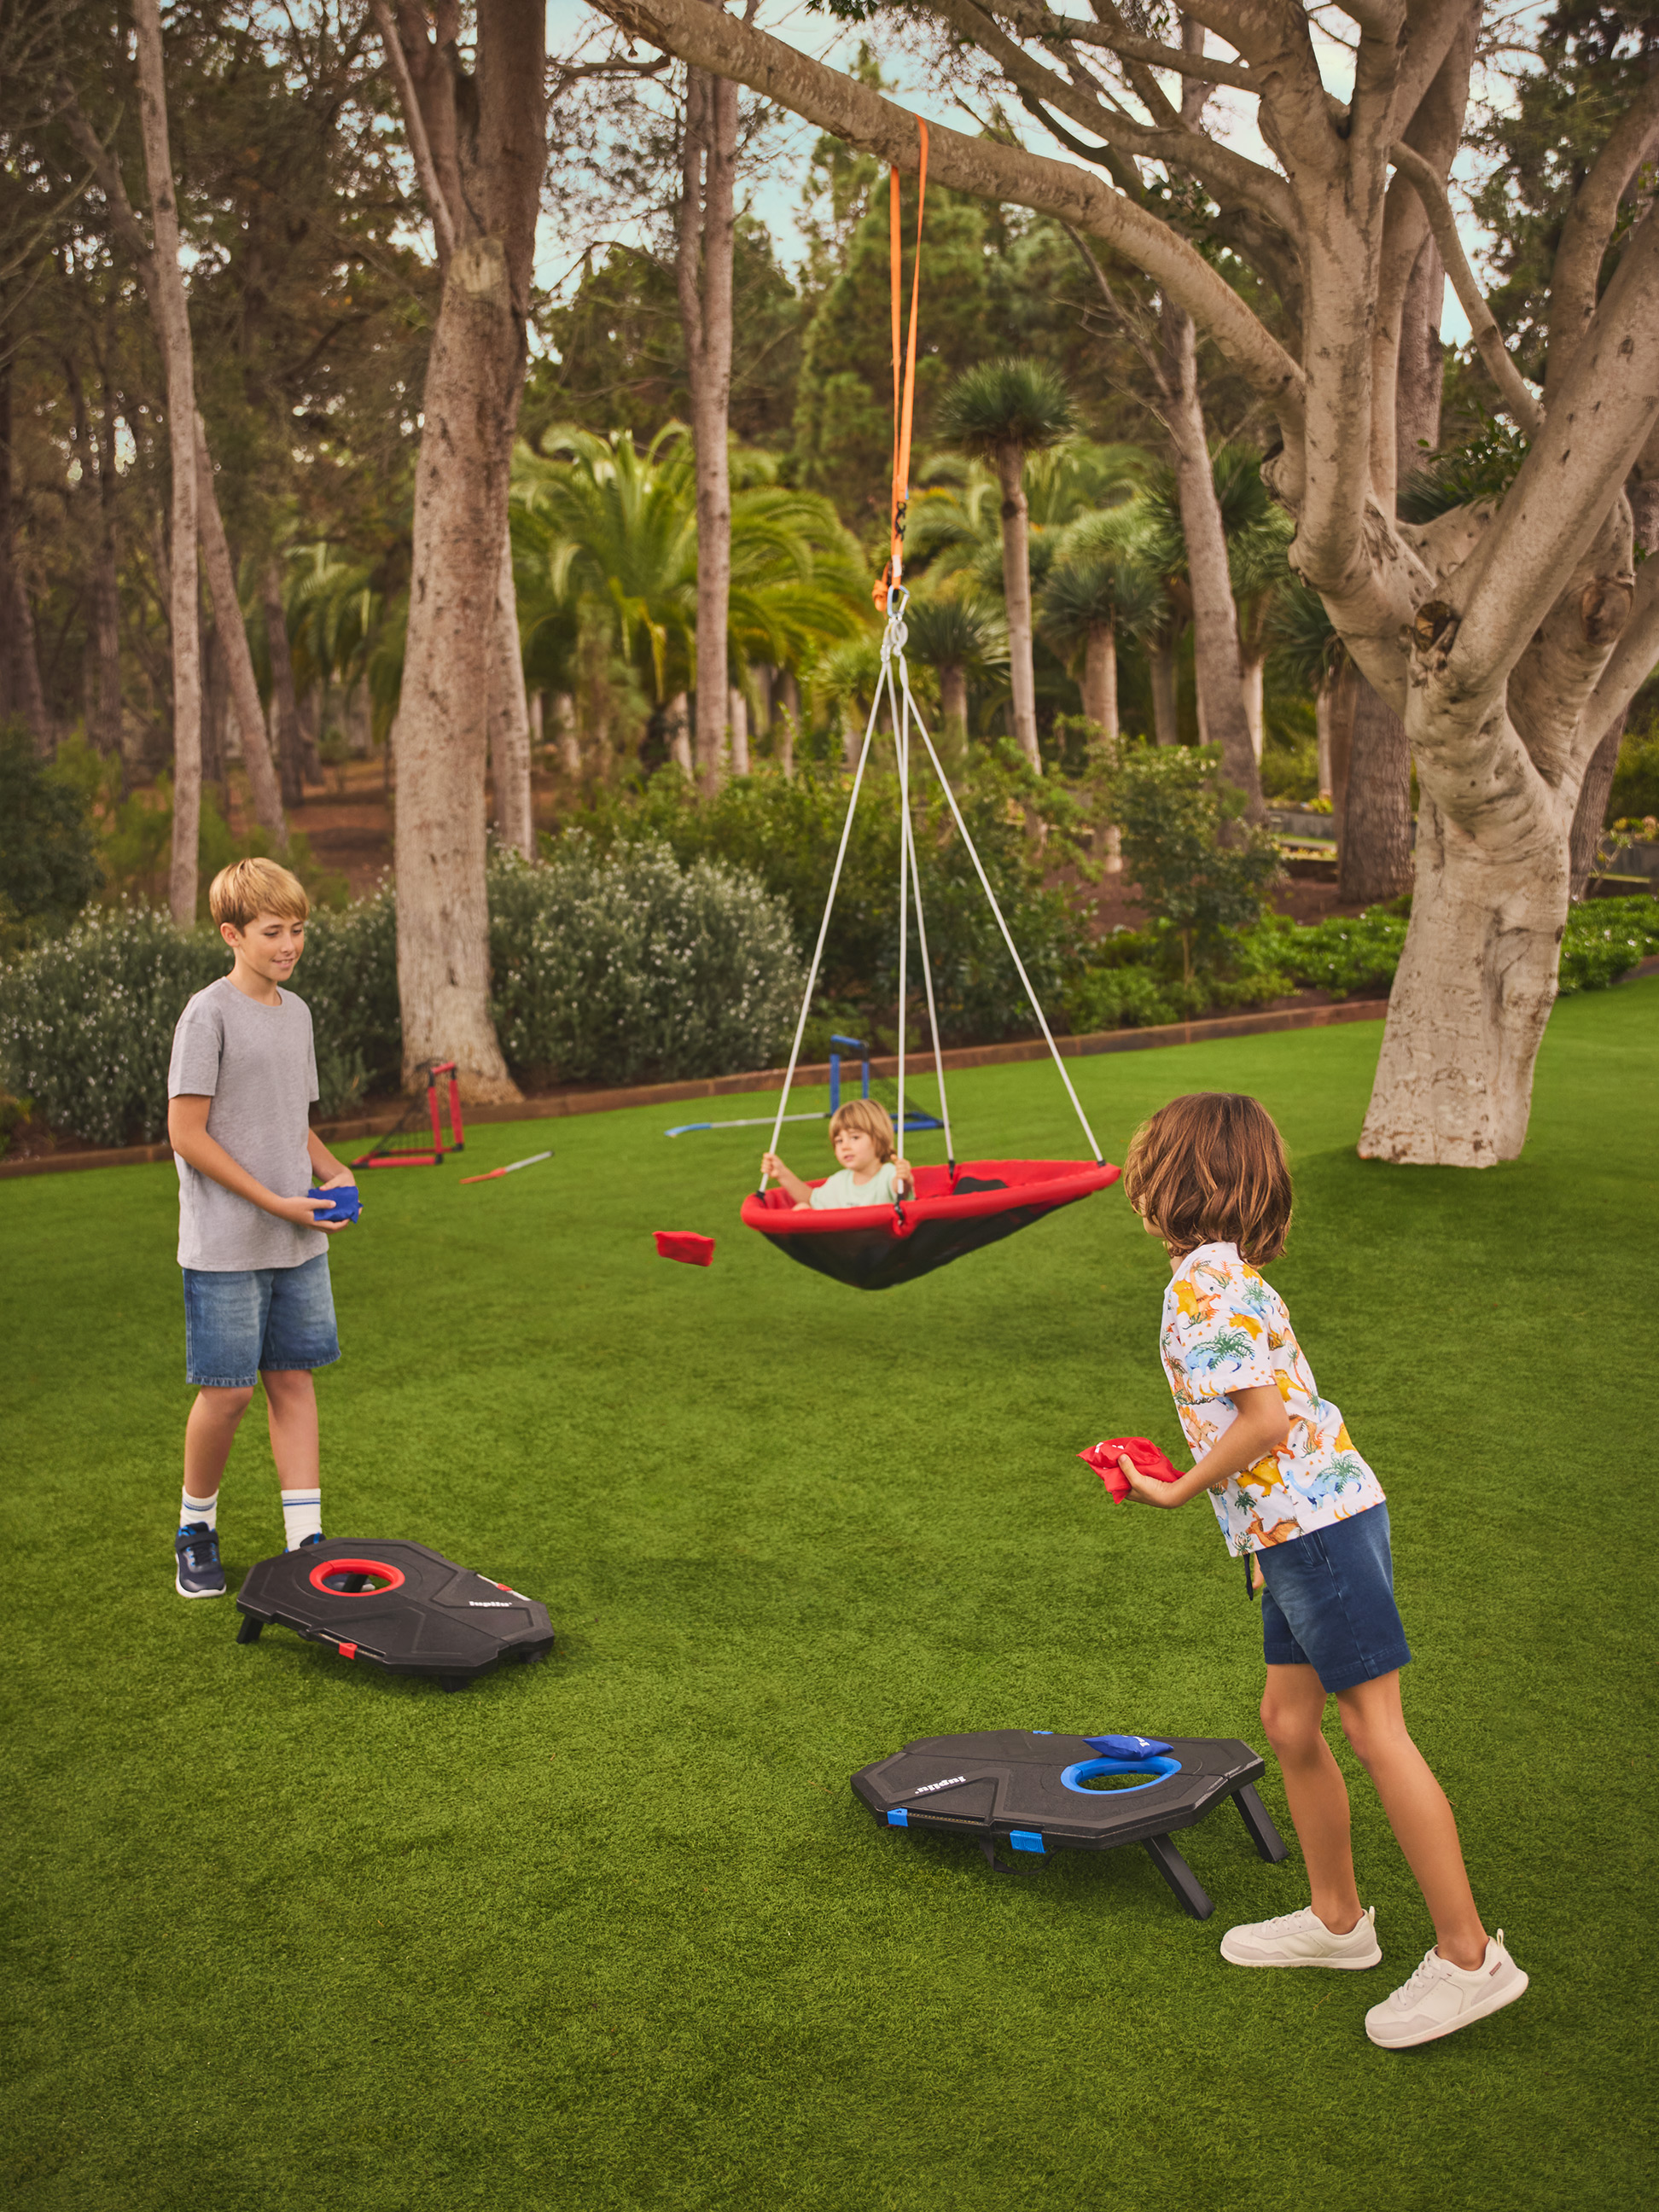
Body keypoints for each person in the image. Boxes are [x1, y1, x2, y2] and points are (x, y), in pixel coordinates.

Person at [1113, 1091, 1528, 2051]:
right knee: (1288, 1721)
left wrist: (1175, 1491)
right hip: (1296, 1528)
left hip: (1317, 1528)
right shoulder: (1227, 1274)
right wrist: (1258, 1537)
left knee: (1376, 1731)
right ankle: (1338, 1923)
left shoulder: (1203, 1288)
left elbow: (1262, 1422)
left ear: (1169, 1182)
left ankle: (1470, 1958)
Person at [166, 858, 358, 1599]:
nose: (289, 945)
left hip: (298, 1239)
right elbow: (187, 1133)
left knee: (292, 1380)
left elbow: (290, 1120)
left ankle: (305, 1542)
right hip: (225, 1245)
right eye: (273, 931)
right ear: (232, 934)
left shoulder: (297, 1012)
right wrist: (276, 1202)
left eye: (298, 929)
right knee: (228, 1394)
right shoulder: (206, 1015)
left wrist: (331, 1171)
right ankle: (195, 1530)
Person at [761, 1097, 913, 1210]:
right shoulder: (839, 1182)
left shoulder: (889, 1175)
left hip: (883, 1241)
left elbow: (901, 1189)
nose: (845, 1146)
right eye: (839, 1141)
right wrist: (782, 1173)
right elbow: (811, 1200)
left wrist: (905, 1178)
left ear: (878, 1138)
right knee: (802, 1208)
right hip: (843, 1242)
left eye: (854, 1137)